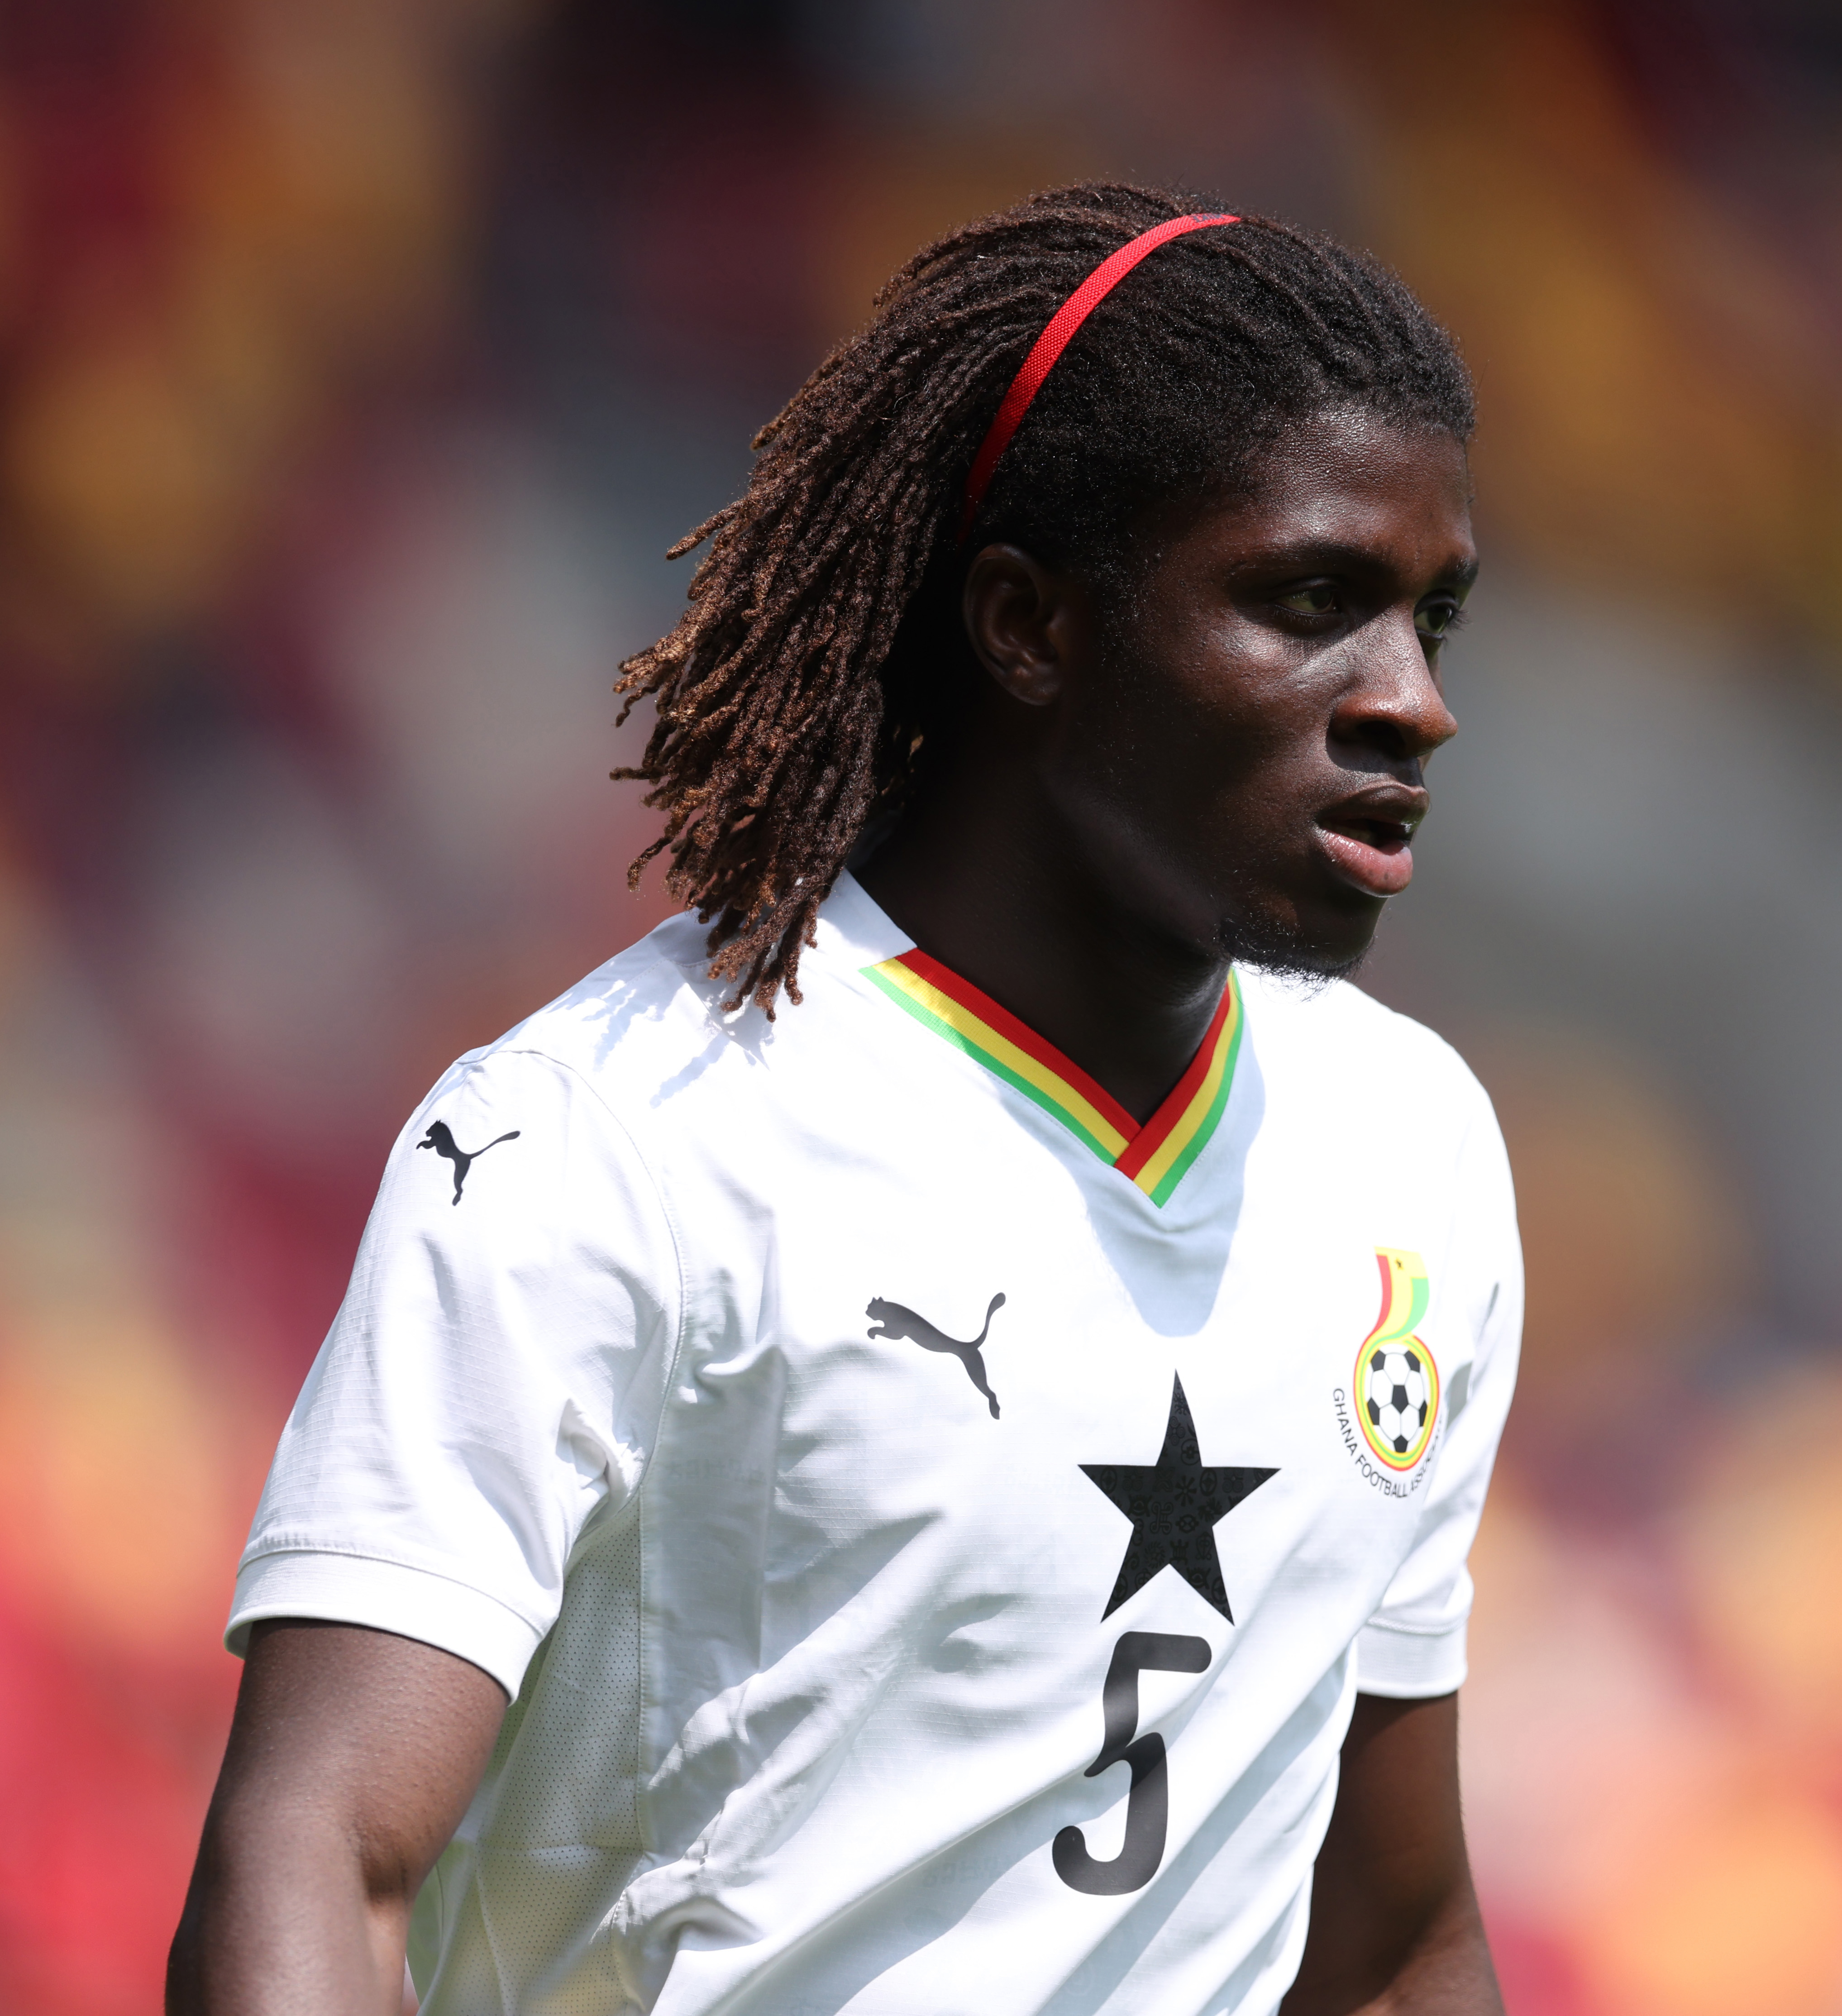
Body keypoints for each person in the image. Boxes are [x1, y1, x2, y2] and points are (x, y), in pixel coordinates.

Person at [166, 184, 1518, 2016]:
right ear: (1031, 628)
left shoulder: (1408, 1150)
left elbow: (1390, 1942)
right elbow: (317, 1853)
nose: (1411, 702)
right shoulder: (613, 1139)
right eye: (1309, 601)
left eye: (1431, 619)